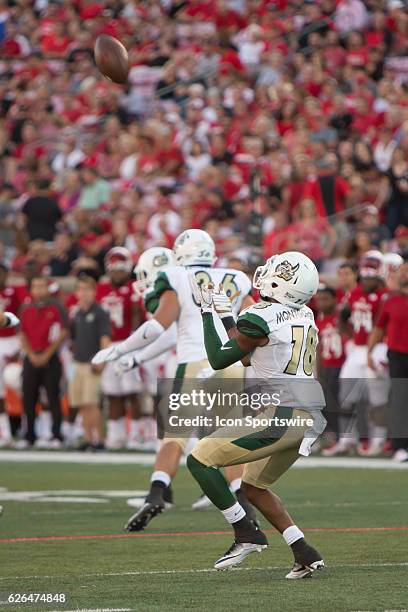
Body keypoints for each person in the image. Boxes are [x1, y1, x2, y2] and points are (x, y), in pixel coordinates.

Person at [92, 229, 256, 531]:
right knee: (227, 438)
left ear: (180, 253)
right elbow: (251, 327)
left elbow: (158, 326)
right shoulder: (235, 277)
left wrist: (120, 349)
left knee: (174, 437)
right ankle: (241, 498)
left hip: (193, 361)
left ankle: (157, 493)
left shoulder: (175, 276)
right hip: (231, 364)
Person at [186, 251, 326, 579]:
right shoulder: (304, 313)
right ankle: (304, 551)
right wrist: (226, 316)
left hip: (283, 415)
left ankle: (244, 532)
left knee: (199, 459)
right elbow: (250, 353)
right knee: (253, 486)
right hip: (308, 417)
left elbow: (221, 358)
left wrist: (206, 312)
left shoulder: (261, 316)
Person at [327, 251, 389, 456]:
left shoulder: (384, 295)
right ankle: (347, 440)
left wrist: (379, 350)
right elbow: (344, 317)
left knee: (376, 399)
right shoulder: (356, 293)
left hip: (378, 347)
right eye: (366, 276)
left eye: (372, 276)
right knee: (345, 396)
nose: (368, 280)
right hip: (358, 348)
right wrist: (349, 335)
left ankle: (378, 441)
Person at [97, 247, 144, 450]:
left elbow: (139, 318)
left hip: (130, 344)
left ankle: (135, 435)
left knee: (132, 392)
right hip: (109, 345)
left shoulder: (135, 288)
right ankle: (116, 436)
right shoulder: (102, 290)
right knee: (112, 393)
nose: (117, 272)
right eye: (113, 268)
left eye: (120, 268)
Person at [18, 276, 68, 448]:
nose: (38, 290)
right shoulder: (25, 308)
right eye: (35, 286)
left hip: (50, 357)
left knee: (53, 396)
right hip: (31, 356)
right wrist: (31, 354)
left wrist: (47, 354)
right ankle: (29, 435)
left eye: (41, 286)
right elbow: (21, 332)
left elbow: (63, 332)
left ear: (47, 289)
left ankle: (56, 435)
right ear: (31, 289)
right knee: (29, 398)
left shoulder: (56, 307)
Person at [368, 259, 408, 461]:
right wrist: (369, 351)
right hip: (397, 354)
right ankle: (400, 445)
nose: (402, 274)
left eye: (405, 270)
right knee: (400, 398)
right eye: (402, 270)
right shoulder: (390, 300)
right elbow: (379, 327)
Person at [68, 276, 111, 451]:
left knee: (92, 403)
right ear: (76, 292)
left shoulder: (100, 312)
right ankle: (87, 438)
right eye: (81, 289)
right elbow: (74, 339)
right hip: (77, 363)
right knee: (81, 403)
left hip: (91, 364)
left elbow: (105, 339)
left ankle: (99, 440)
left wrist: (101, 360)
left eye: (87, 289)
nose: (83, 293)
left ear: (94, 292)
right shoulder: (77, 313)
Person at [0, 264, 23, 446]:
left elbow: (19, 317)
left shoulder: (14, 292)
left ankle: (31, 430)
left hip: (12, 340)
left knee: (21, 383)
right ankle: (5, 433)